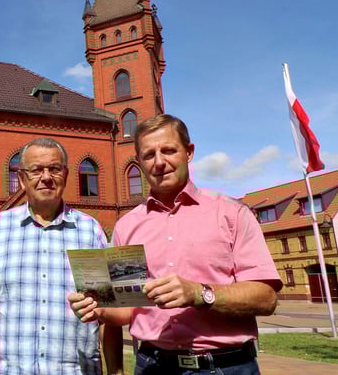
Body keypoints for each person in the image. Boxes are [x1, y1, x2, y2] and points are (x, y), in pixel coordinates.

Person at [68, 114, 282, 375]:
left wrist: (198, 293)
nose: (159, 162)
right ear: (139, 161)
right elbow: (127, 308)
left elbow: (266, 298)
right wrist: (99, 308)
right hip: (153, 365)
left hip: (225, 366)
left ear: (189, 152)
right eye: (148, 155)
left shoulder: (231, 214)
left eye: (168, 150)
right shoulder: (128, 226)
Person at [0, 137, 112, 375]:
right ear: (21, 179)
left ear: (66, 176)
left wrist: (117, 370)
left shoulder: (90, 231)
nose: (46, 177)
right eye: (36, 170)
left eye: (54, 169)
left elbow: (107, 311)